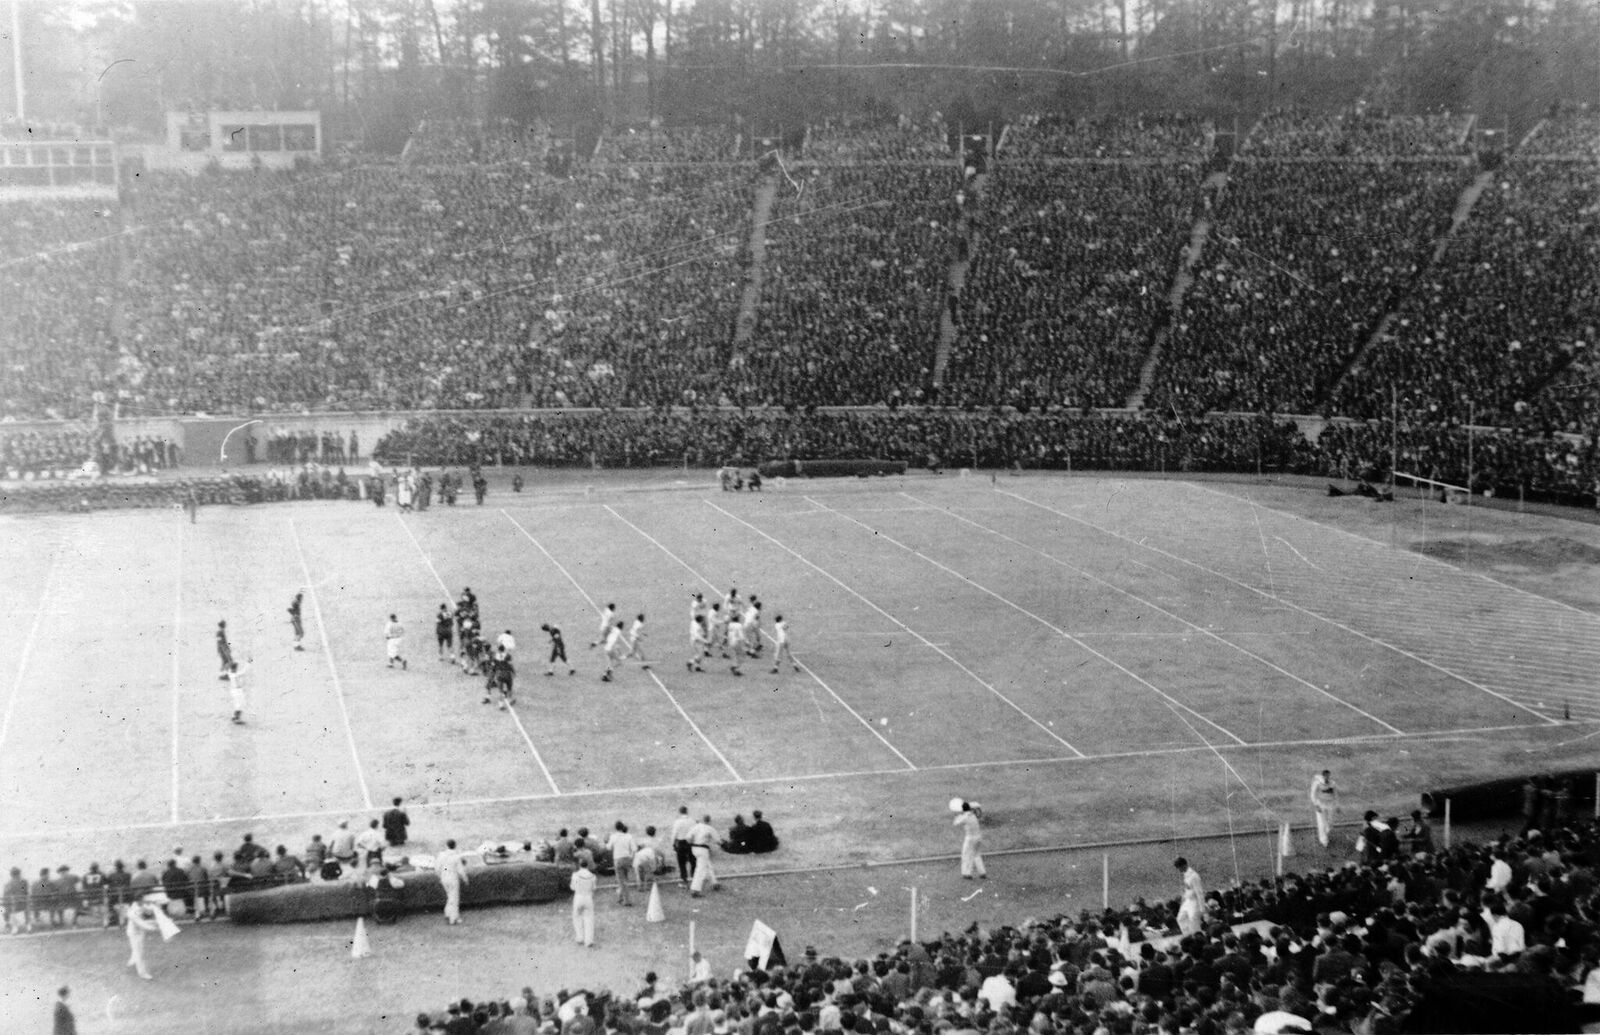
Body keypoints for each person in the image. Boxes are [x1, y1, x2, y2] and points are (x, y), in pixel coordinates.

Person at [437, 839, 468, 925]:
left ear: (446, 846)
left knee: (450, 896)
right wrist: (465, 879)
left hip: (444, 878)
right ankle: (453, 918)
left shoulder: (441, 855)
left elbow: (437, 868)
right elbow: (460, 871)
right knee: (454, 899)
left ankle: (447, 913)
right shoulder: (456, 857)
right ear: (455, 846)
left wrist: (440, 876)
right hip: (453, 879)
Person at [125, 899, 158, 979]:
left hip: (139, 931)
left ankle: (133, 960)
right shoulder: (132, 913)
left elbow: (148, 912)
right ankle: (142, 973)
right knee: (140, 952)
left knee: (137, 949)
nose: (145, 903)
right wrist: (155, 927)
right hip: (134, 933)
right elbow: (142, 924)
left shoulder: (140, 905)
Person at [688, 815, 720, 896]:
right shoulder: (709, 828)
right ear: (709, 821)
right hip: (703, 849)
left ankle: (714, 882)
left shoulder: (696, 826)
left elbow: (688, 838)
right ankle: (695, 889)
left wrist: (693, 842)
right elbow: (718, 840)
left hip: (694, 848)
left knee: (707, 865)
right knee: (701, 869)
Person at [608, 822, 638, 905]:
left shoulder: (613, 837)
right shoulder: (629, 836)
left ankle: (627, 900)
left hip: (618, 859)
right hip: (627, 858)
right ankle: (620, 897)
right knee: (624, 879)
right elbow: (634, 849)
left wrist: (607, 842)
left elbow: (609, 847)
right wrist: (631, 858)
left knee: (621, 881)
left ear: (616, 828)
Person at [955, 801, 986, 880]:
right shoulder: (974, 815)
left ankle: (966, 873)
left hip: (970, 838)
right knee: (977, 855)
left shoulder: (965, 817)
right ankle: (982, 872)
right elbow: (977, 809)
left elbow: (956, 823)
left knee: (966, 855)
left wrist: (958, 816)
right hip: (978, 837)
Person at [570, 858, 597, 946]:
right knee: (589, 918)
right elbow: (594, 888)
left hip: (578, 897)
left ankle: (579, 937)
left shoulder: (575, 875)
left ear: (579, 865)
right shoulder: (593, 876)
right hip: (588, 897)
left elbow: (572, 887)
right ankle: (589, 940)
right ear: (587, 865)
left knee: (577, 917)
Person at [1175, 858, 1205, 935]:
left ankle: (1198, 937)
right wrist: (1183, 899)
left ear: (1184, 865)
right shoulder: (1186, 874)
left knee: (1193, 920)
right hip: (1188, 901)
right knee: (1180, 918)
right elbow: (1187, 889)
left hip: (1195, 901)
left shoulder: (1194, 876)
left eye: (1179, 867)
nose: (1179, 870)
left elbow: (1199, 892)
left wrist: (1202, 908)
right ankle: (1188, 936)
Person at [1310, 769, 1337, 848]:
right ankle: (1324, 840)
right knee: (1321, 822)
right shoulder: (1317, 783)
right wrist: (1316, 805)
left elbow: (1335, 794)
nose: (1327, 778)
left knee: (1330, 823)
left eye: (1328, 776)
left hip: (1330, 804)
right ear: (1323, 776)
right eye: (1326, 776)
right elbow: (1313, 794)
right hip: (1320, 804)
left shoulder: (1332, 783)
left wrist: (1337, 805)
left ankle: (1326, 832)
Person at [670, 806, 695, 887]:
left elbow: (674, 834)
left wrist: (673, 843)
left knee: (681, 862)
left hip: (681, 843)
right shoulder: (692, 821)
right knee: (693, 861)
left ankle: (684, 880)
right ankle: (694, 878)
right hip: (690, 842)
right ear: (687, 811)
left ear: (680, 812)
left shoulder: (677, 822)